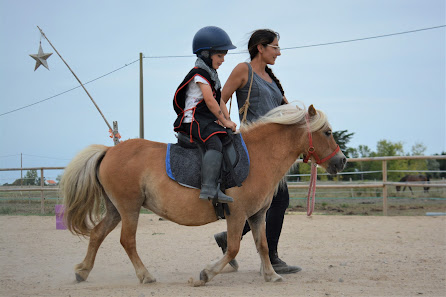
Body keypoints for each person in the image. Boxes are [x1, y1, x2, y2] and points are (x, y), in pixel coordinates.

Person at [214, 29, 301, 274]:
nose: (279, 52)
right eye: (275, 47)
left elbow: (289, 112)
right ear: (260, 47)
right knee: (276, 200)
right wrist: (228, 122)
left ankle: (228, 237)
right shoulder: (244, 71)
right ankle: (271, 257)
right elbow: (220, 97)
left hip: (275, 153)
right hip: (252, 149)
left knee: (272, 201)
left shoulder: (272, 79)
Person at [173, 26, 237, 203]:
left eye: (224, 56)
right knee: (214, 143)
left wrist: (229, 121)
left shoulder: (212, 75)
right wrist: (223, 121)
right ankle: (209, 189)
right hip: (193, 120)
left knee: (226, 138)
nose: (223, 60)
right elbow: (210, 101)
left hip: (204, 120)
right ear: (206, 54)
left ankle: (222, 182)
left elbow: (220, 100)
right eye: (219, 56)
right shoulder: (200, 74)